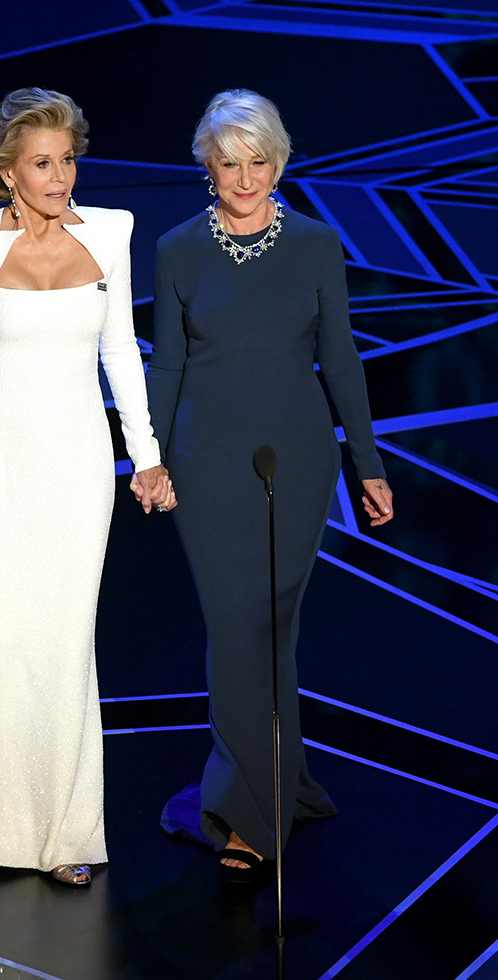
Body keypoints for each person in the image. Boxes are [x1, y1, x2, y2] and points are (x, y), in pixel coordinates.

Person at [0, 87, 176, 885]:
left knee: (60, 641)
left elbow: (121, 353)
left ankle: (62, 833)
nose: (61, 177)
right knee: (2, 635)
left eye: (68, 160)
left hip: (78, 463)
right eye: (43, 164)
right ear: (7, 175)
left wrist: (145, 456)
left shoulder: (112, 234)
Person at [142, 89, 393, 883]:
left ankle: (278, 785)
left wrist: (369, 462)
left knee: (273, 631)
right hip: (204, 462)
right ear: (205, 166)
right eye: (228, 162)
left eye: (258, 162)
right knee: (236, 630)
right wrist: (145, 457)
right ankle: (249, 808)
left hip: (297, 459)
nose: (244, 178)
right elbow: (167, 363)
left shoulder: (316, 245)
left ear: (278, 163)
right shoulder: (177, 248)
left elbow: (342, 357)